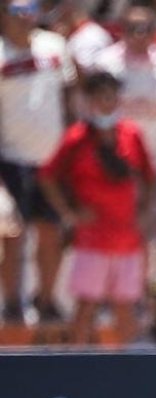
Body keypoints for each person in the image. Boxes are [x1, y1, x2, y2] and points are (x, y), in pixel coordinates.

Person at [38, 71, 154, 344]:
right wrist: (69, 213)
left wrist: (144, 212)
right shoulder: (77, 138)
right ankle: (78, 361)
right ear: (89, 102)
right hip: (92, 239)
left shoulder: (131, 134)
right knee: (86, 305)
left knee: (125, 306)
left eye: (111, 97)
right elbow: (47, 176)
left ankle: (128, 363)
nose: (106, 103)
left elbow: (149, 175)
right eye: (100, 98)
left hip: (127, 237)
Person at [94, 3, 156, 290]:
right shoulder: (105, 64)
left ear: (155, 31)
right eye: (132, 28)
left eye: (144, 28)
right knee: (114, 233)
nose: (138, 34)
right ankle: (113, 293)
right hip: (114, 164)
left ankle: (153, 292)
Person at [0, 0, 77, 325]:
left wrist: (73, 148)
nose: (25, 17)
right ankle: (12, 302)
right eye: (17, 10)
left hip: (52, 159)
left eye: (31, 9)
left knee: (51, 232)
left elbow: (69, 98)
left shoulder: (54, 46)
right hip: (11, 158)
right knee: (12, 234)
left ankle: (46, 300)